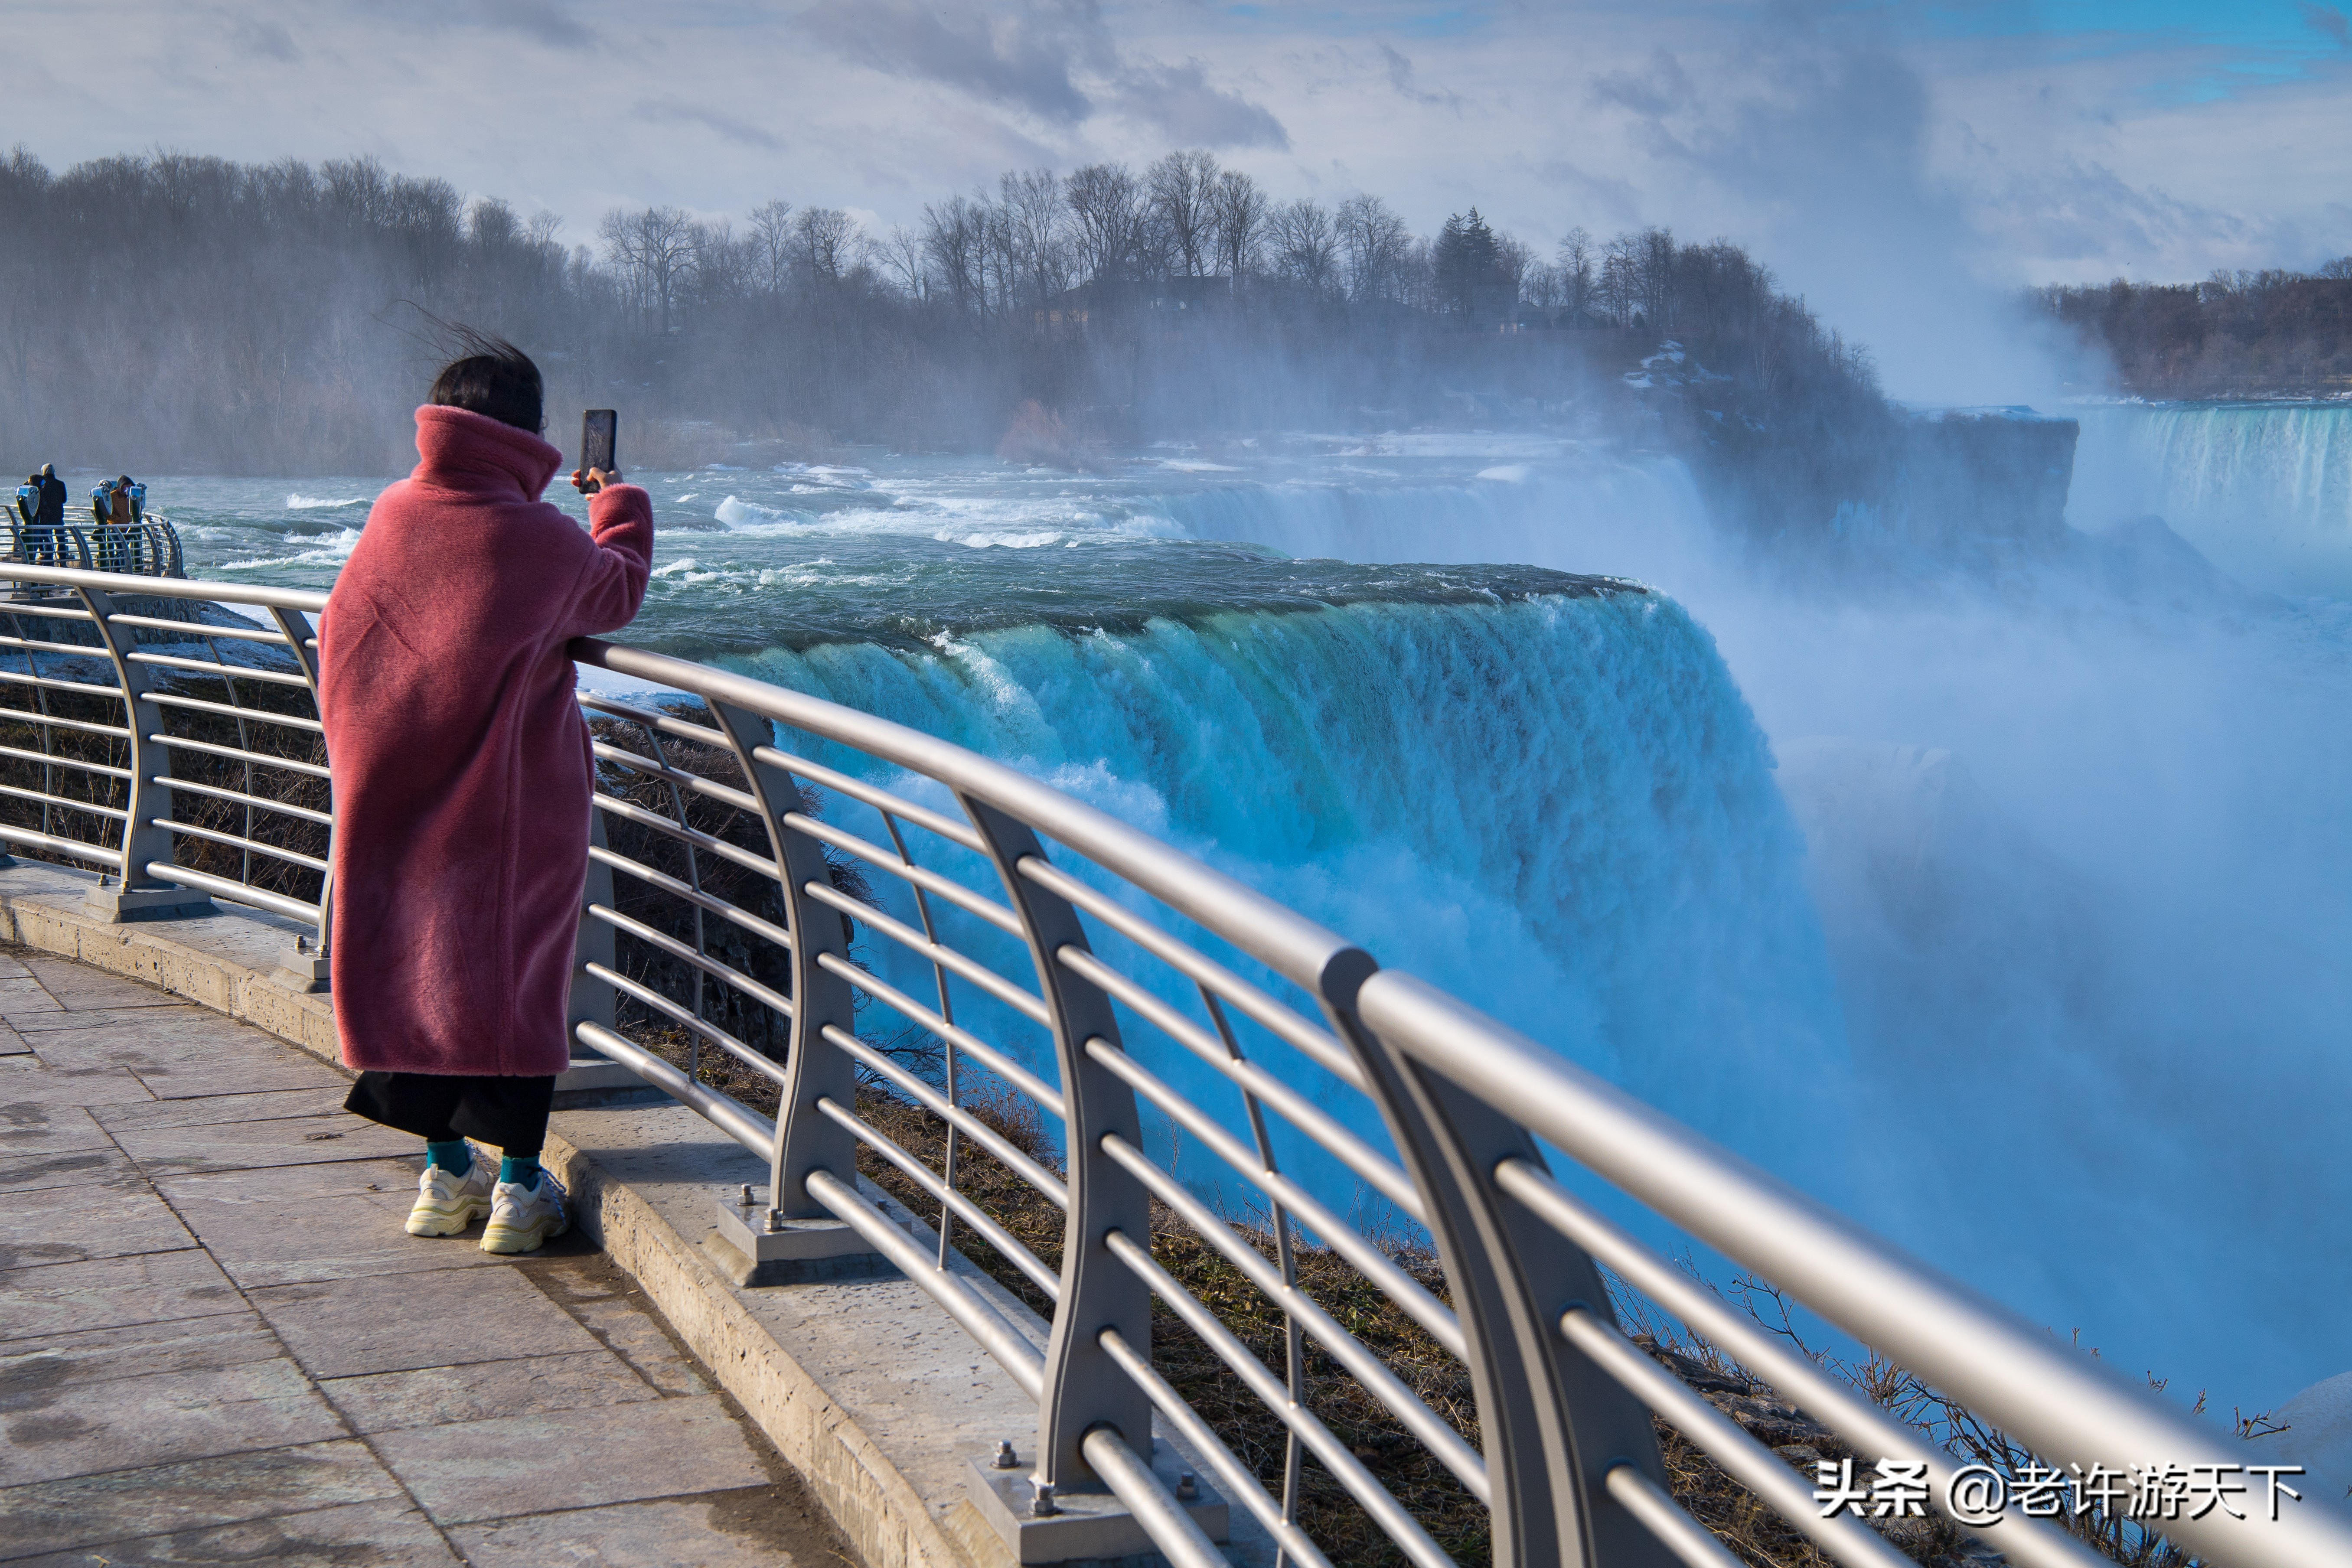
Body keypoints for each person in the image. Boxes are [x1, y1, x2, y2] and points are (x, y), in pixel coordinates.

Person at [320, 329, 652, 1255]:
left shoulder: (395, 513)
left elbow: (349, 638)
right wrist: (617, 501)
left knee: (410, 971)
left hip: (392, 793)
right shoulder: (535, 536)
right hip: (509, 809)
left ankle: (443, 1174)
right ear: (527, 435)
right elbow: (617, 591)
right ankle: (516, 1190)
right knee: (511, 983)